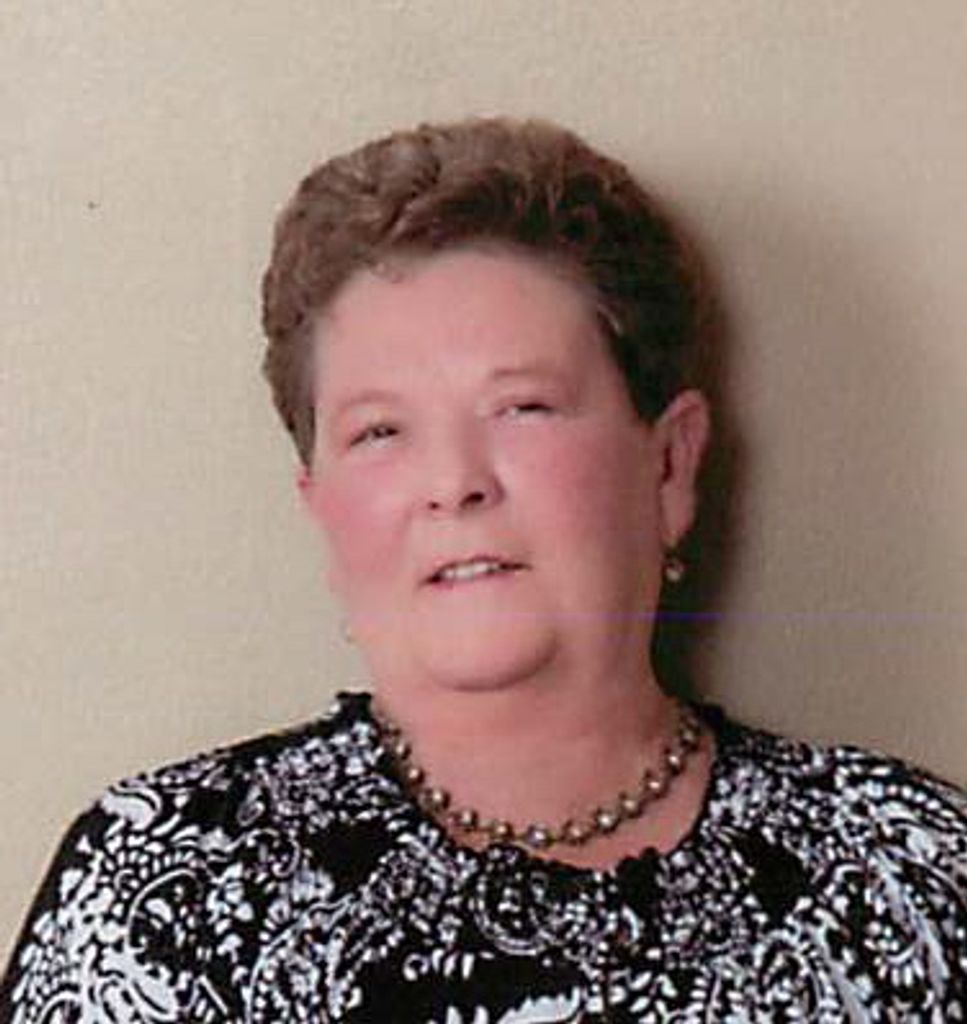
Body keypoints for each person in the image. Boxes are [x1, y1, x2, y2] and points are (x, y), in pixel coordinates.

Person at [1, 117, 965, 1023]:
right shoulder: (155, 887)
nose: (453, 483)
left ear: (669, 465)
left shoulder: (913, 871)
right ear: (320, 504)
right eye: (379, 432)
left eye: (521, 408)